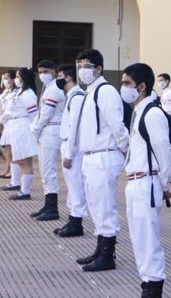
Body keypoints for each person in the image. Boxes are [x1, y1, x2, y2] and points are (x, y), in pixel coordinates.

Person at [75, 49, 129, 272]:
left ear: (98, 68)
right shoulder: (90, 91)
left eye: (87, 66)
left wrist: (126, 150)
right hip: (91, 156)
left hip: (104, 154)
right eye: (79, 66)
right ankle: (100, 249)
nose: (82, 71)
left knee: (104, 205)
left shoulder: (105, 91)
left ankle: (108, 255)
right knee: (96, 205)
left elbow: (117, 125)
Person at [121, 63, 171, 297]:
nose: (124, 88)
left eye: (127, 84)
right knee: (139, 239)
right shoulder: (138, 111)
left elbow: (164, 150)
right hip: (135, 182)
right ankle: (147, 284)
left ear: (141, 86)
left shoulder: (151, 113)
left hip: (147, 182)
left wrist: (163, 184)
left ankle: (153, 288)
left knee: (148, 240)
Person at [53, 65, 87, 237]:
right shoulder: (71, 96)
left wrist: (69, 154)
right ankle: (73, 219)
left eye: (60, 75)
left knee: (76, 186)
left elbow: (74, 128)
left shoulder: (77, 97)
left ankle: (77, 222)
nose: (58, 79)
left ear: (68, 77)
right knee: (72, 186)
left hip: (73, 147)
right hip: (67, 143)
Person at [30, 59, 65, 221]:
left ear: (53, 71)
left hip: (51, 129)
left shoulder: (55, 88)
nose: (42, 75)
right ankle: (47, 204)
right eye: (40, 72)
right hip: (46, 130)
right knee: (44, 170)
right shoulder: (47, 88)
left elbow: (46, 114)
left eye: (46, 71)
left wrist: (36, 129)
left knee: (48, 170)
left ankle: (52, 208)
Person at [0, 68, 39, 200]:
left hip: (23, 126)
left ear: (24, 78)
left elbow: (34, 114)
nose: (16, 79)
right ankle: (20, 187)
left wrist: (35, 132)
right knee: (18, 158)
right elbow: (9, 110)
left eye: (17, 76)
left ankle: (25, 191)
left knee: (25, 160)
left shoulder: (28, 94)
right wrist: (1, 121)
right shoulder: (19, 93)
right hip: (15, 126)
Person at [0, 70, 22, 190]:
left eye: (8, 78)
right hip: (5, 121)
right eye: (4, 78)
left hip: (12, 121)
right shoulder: (6, 91)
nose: (6, 80)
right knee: (7, 150)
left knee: (13, 151)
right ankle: (8, 170)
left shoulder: (17, 92)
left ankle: (13, 176)